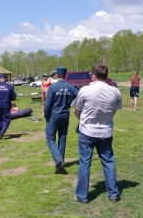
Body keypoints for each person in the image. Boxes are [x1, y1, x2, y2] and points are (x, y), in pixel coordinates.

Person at [71, 65, 122, 203]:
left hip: (87, 131)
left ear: (93, 75)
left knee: (85, 163)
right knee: (108, 161)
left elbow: (76, 110)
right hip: (105, 131)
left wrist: (83, 120)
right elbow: (114, 111)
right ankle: (113, 194)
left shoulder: (86, 90)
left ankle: (82, 196)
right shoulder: (115, 91)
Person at [44, 67, 78, 174]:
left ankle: (58, 161)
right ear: (65, 75)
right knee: (62, 138)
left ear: (56, 75)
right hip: (65, 115)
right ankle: (61, 161)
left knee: (50, 138)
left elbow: (48, 103)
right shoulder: (70, 87)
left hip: (54, 115)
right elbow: (79, 96)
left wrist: (46, 114)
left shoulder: (53, 87)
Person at [0, 74, 17, 140]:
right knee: (7, 118)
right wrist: (9, 99)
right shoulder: (9, 87)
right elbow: (14, 96)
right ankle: (2, 131)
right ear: (6, 79)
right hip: (6, 105)